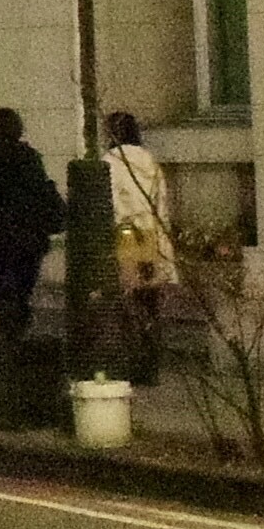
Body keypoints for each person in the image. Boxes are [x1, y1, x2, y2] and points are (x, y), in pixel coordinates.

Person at [0, 106, 65, 341]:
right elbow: (39, 192)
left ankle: (7, 330)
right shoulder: (29, 159)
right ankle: (18, 328)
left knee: (1, 287)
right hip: (29, 236)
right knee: (22, 287)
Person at [105, 109, 180, 384]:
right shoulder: (149, 161)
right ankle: (150, 364)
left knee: (126, 299)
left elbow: (110, 206)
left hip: (126, 232)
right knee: (149, 303)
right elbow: (162, 203)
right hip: (152, 232)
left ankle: (131, 362)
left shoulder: (110, 162)